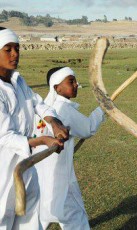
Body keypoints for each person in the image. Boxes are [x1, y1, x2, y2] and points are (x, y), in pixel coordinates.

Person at [0, 27, 69, 229]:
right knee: (3, 217)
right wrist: (42, 140)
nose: (15, 54)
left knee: (30, 220)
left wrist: (54, 123)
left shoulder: (17, 81)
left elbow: (38, 104)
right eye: (8, 49)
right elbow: (4, 137)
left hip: (25, 165)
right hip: (3, 169)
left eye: (17, 48)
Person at [33, 66, 105, 230]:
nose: (76, 84)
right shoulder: (63, 109)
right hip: (59, 176)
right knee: (75, 217)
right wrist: (103, 108)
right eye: (71, 81)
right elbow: (88, 128)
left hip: (40, 175)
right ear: (57, 88)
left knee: (42, 213)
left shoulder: (44, 110)